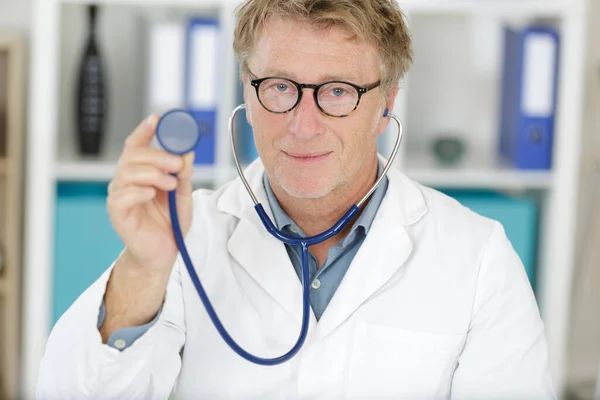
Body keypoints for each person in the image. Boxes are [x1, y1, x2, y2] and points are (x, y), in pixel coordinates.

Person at [36, 0, 556, 398]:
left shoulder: (479, 258)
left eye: (337, 91)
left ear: (386, 101)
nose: (302, 126)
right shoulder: (182, 241)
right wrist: (143, 268)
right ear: (246, 86)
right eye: (280, 87)